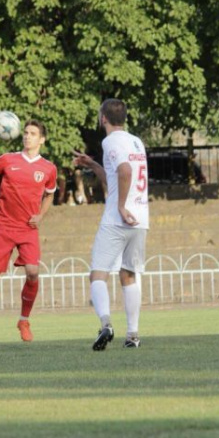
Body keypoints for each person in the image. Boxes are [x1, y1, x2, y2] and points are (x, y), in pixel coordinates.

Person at [0, 120, 57, 346]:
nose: (27, 137)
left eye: (33, 134)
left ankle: (24, 321)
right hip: (4, 227)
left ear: (41, 139)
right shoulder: (7, 159)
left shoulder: (48, 168)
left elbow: (50, 194)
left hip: (28, 229)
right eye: (25, 133)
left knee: (33, 273)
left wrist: (41, 216)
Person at [72, 98, 148, 350]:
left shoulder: (110, 141)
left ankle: (105, 324)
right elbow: (116, 178)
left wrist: (120, 206)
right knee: (128, 274)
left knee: (97, 274)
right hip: (140, 218)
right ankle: (133, 335)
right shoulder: (135, 141)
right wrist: (92, 164)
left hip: (119, 219)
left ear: (103, 117)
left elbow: (125, 171)